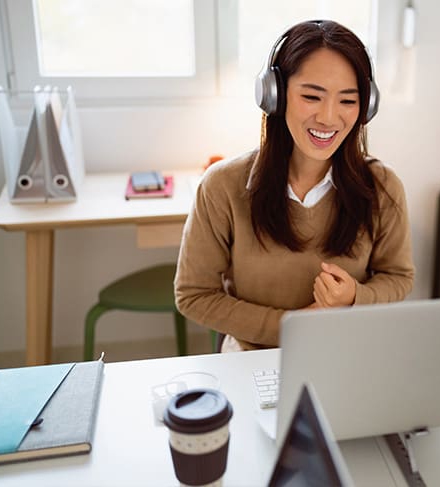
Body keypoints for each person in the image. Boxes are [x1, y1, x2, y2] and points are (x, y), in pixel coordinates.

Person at [175, 20, 414, 351]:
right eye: (312, 96)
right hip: (251, 356)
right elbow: (194, 295)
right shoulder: (222, 186)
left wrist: (356, 296)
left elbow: (399, 278)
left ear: (366, 106)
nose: (329, 118)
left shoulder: (383, 186)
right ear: (275, 95)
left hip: (344, 351)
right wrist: (294, 326)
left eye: (347, 100)